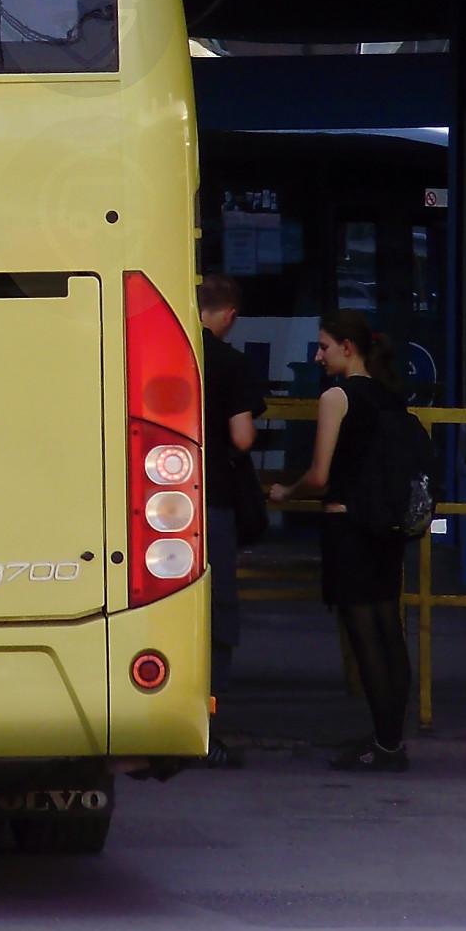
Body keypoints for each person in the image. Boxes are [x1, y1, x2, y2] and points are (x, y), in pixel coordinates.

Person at [268, 309, 412, 772]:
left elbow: (319, 476)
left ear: (347, 348)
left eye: (324, 346)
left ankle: (385, 747)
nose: (318, 355)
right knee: (390, 631)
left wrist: (285, 492)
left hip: (348, 527)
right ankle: (391, 739)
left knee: (364, 637)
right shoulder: (391, 396)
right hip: (386, 527)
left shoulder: (337, 397)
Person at [199, 274, 266, 768]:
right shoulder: (229, 363)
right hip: (214, 500)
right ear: (230, 315)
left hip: (152, 499)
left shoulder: (162, 351)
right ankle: (207, 728)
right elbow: (242, 438)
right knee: (218, 608)